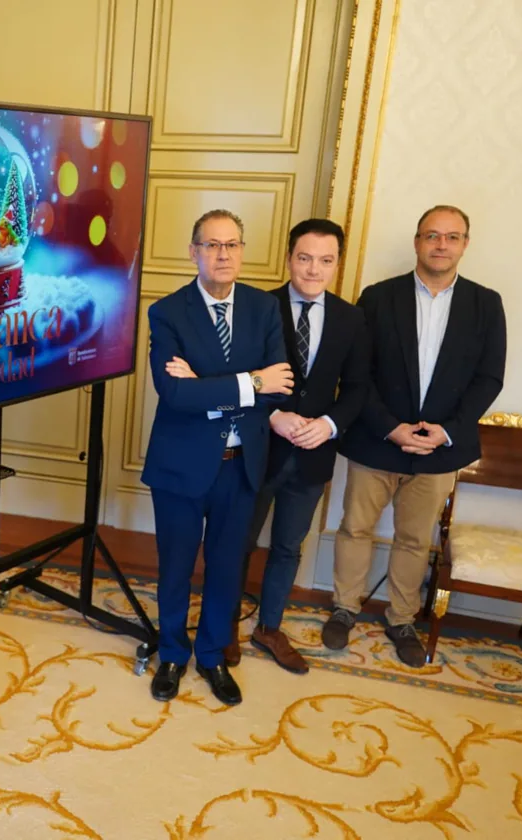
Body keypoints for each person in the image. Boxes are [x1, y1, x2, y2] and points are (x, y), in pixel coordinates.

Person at [322, 205, 506, 666]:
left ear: (465, 244)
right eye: (432, 235)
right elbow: (357, 373)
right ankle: (345, 608)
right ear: (417, 241)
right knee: (355, 527)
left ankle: (402, 618)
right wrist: (391, 428)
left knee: (413, 538)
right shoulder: (378, 297)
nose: (441, 245)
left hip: (440, 447)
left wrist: (445, 432)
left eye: (452, 237)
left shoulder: (486, 303)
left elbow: (489, 378)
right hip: (376, 439)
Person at [141, 209, 293, 706]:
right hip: (181, 466)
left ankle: (210, 657)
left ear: (242, 252)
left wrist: (206, 384)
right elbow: (174, 394)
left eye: (231, 245)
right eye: (211, 245)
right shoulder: (167, 312)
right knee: (176, 567)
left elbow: (280, 387)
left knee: (227, 567)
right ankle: (170, 654)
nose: (222, 254)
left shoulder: (264, 309)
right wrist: (250, 381)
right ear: (193, 252)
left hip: (241, 464)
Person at [223, 219, 369, 674]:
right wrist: (272, 415)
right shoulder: (254, 306)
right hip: (257, 449)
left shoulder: (351, 317)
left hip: (312, 456)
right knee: (239, 542)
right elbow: (235, 376)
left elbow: (359, 388)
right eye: (305, 258)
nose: (313, 270)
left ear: (337, 264)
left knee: (288, 547)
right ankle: (223, 625)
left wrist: (328, 424)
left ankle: (269, 627)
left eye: (325, 260)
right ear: (289, 258)